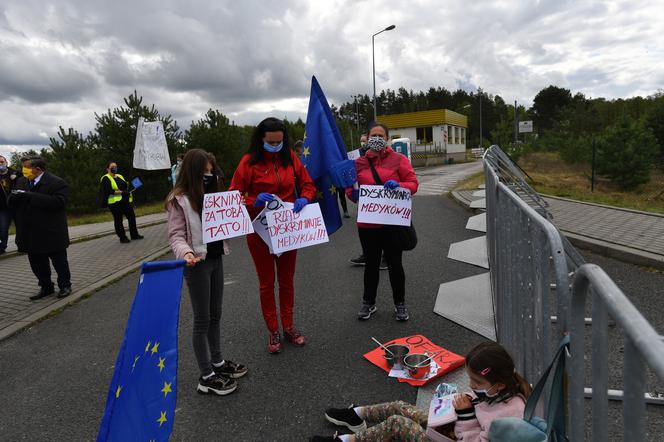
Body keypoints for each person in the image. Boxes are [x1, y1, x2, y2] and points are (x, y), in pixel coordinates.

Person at [310, 341, 530, 441]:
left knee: (398, 423)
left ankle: (346, 440)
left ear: (499, 383)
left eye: (477, 382)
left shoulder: (508, 418)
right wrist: (456, 407)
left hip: (459, 434)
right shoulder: (499, 390)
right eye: (470, 379)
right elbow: (480, 411)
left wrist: (465, 415)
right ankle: (356, 415)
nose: (472, 386)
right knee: (400, 406)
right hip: (455, 430)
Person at [229, 117, 316, 354]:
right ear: (261, 139)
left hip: (287, 228)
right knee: (267, 283)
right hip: (259, 231)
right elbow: (232, 195)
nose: (276, 146)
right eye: (271, 142)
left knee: (287, 281)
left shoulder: (290, 157)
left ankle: (288, 326)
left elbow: (308, 184)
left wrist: (304, 198)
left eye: (279, 141)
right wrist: (252, 201)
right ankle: (273, 330)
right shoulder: (248, 162)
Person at [166, 148, 248, 396]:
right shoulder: (178, 200)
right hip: (196, 264)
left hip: (215, 258)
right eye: (204, 173)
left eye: (211, 173)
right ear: (193, 173)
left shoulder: (213, 196)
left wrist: (236, 209)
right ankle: (206, 376)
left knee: (216, 313)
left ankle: (218, 362)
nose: (209, 177)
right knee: (202, 319)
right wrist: (186, 253)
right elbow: (176, 235)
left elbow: (226, 225)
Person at [347, 123, 418, 321]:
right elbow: (351, 189)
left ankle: (400, 304)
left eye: (380, 135)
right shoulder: (359, 162)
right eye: (373, 135)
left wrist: (400, 185)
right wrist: (352, 193)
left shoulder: (399, 159)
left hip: (392, 223)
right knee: (371, 264)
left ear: (386, 138)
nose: (376, 138)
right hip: (368, 225)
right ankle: (368, 303)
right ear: (367, 138)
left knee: (395, 264)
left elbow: (413, 184)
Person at [10, 157, 72, 300]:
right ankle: (46, 287)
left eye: (26, 168)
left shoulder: (57, 182)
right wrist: (13, 198)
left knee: (59, 262)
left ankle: (65, 285)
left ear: (38, 169)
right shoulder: (22, 181)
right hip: (30, 232)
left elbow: (59, 202)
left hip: (52, 231)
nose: (23, 171)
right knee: (37, 263)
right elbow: (12, 201)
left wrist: (30, 196)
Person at [349, 133, 385, 268]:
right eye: (362, 141)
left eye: (365, 141)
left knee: (386, 230)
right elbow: (351, 178)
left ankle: (386, 257)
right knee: (367, 231)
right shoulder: (356, 156)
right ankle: (367, 255)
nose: (364, 143)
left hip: (385, 204)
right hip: (366, 205)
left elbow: (410, 182)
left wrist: (399, 186)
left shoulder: (388, 157)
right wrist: (352, 192)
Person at [99, 161, 143, 243]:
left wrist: (135, 184)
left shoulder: (119, 176)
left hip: (125, 201)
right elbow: (108, 191)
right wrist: (121, 192)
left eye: (115, 166)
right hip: (114, 203)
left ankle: (134, 235)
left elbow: (126, 185)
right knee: (118, 220)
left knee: (131, 217)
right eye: (112, 167)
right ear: (107, 169)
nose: (114, 168)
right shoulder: (105, 178)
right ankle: (122, 237)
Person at [0, 155, 19, 254]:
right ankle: (2, 247)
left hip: (16, 205)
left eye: (2, 162)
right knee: (3, 228)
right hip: (3, 207)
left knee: (20, 226)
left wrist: (16, 178)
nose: (0, 164)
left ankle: (22, 245)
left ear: (6, 162)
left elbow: (24, 182)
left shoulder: (15, 173)